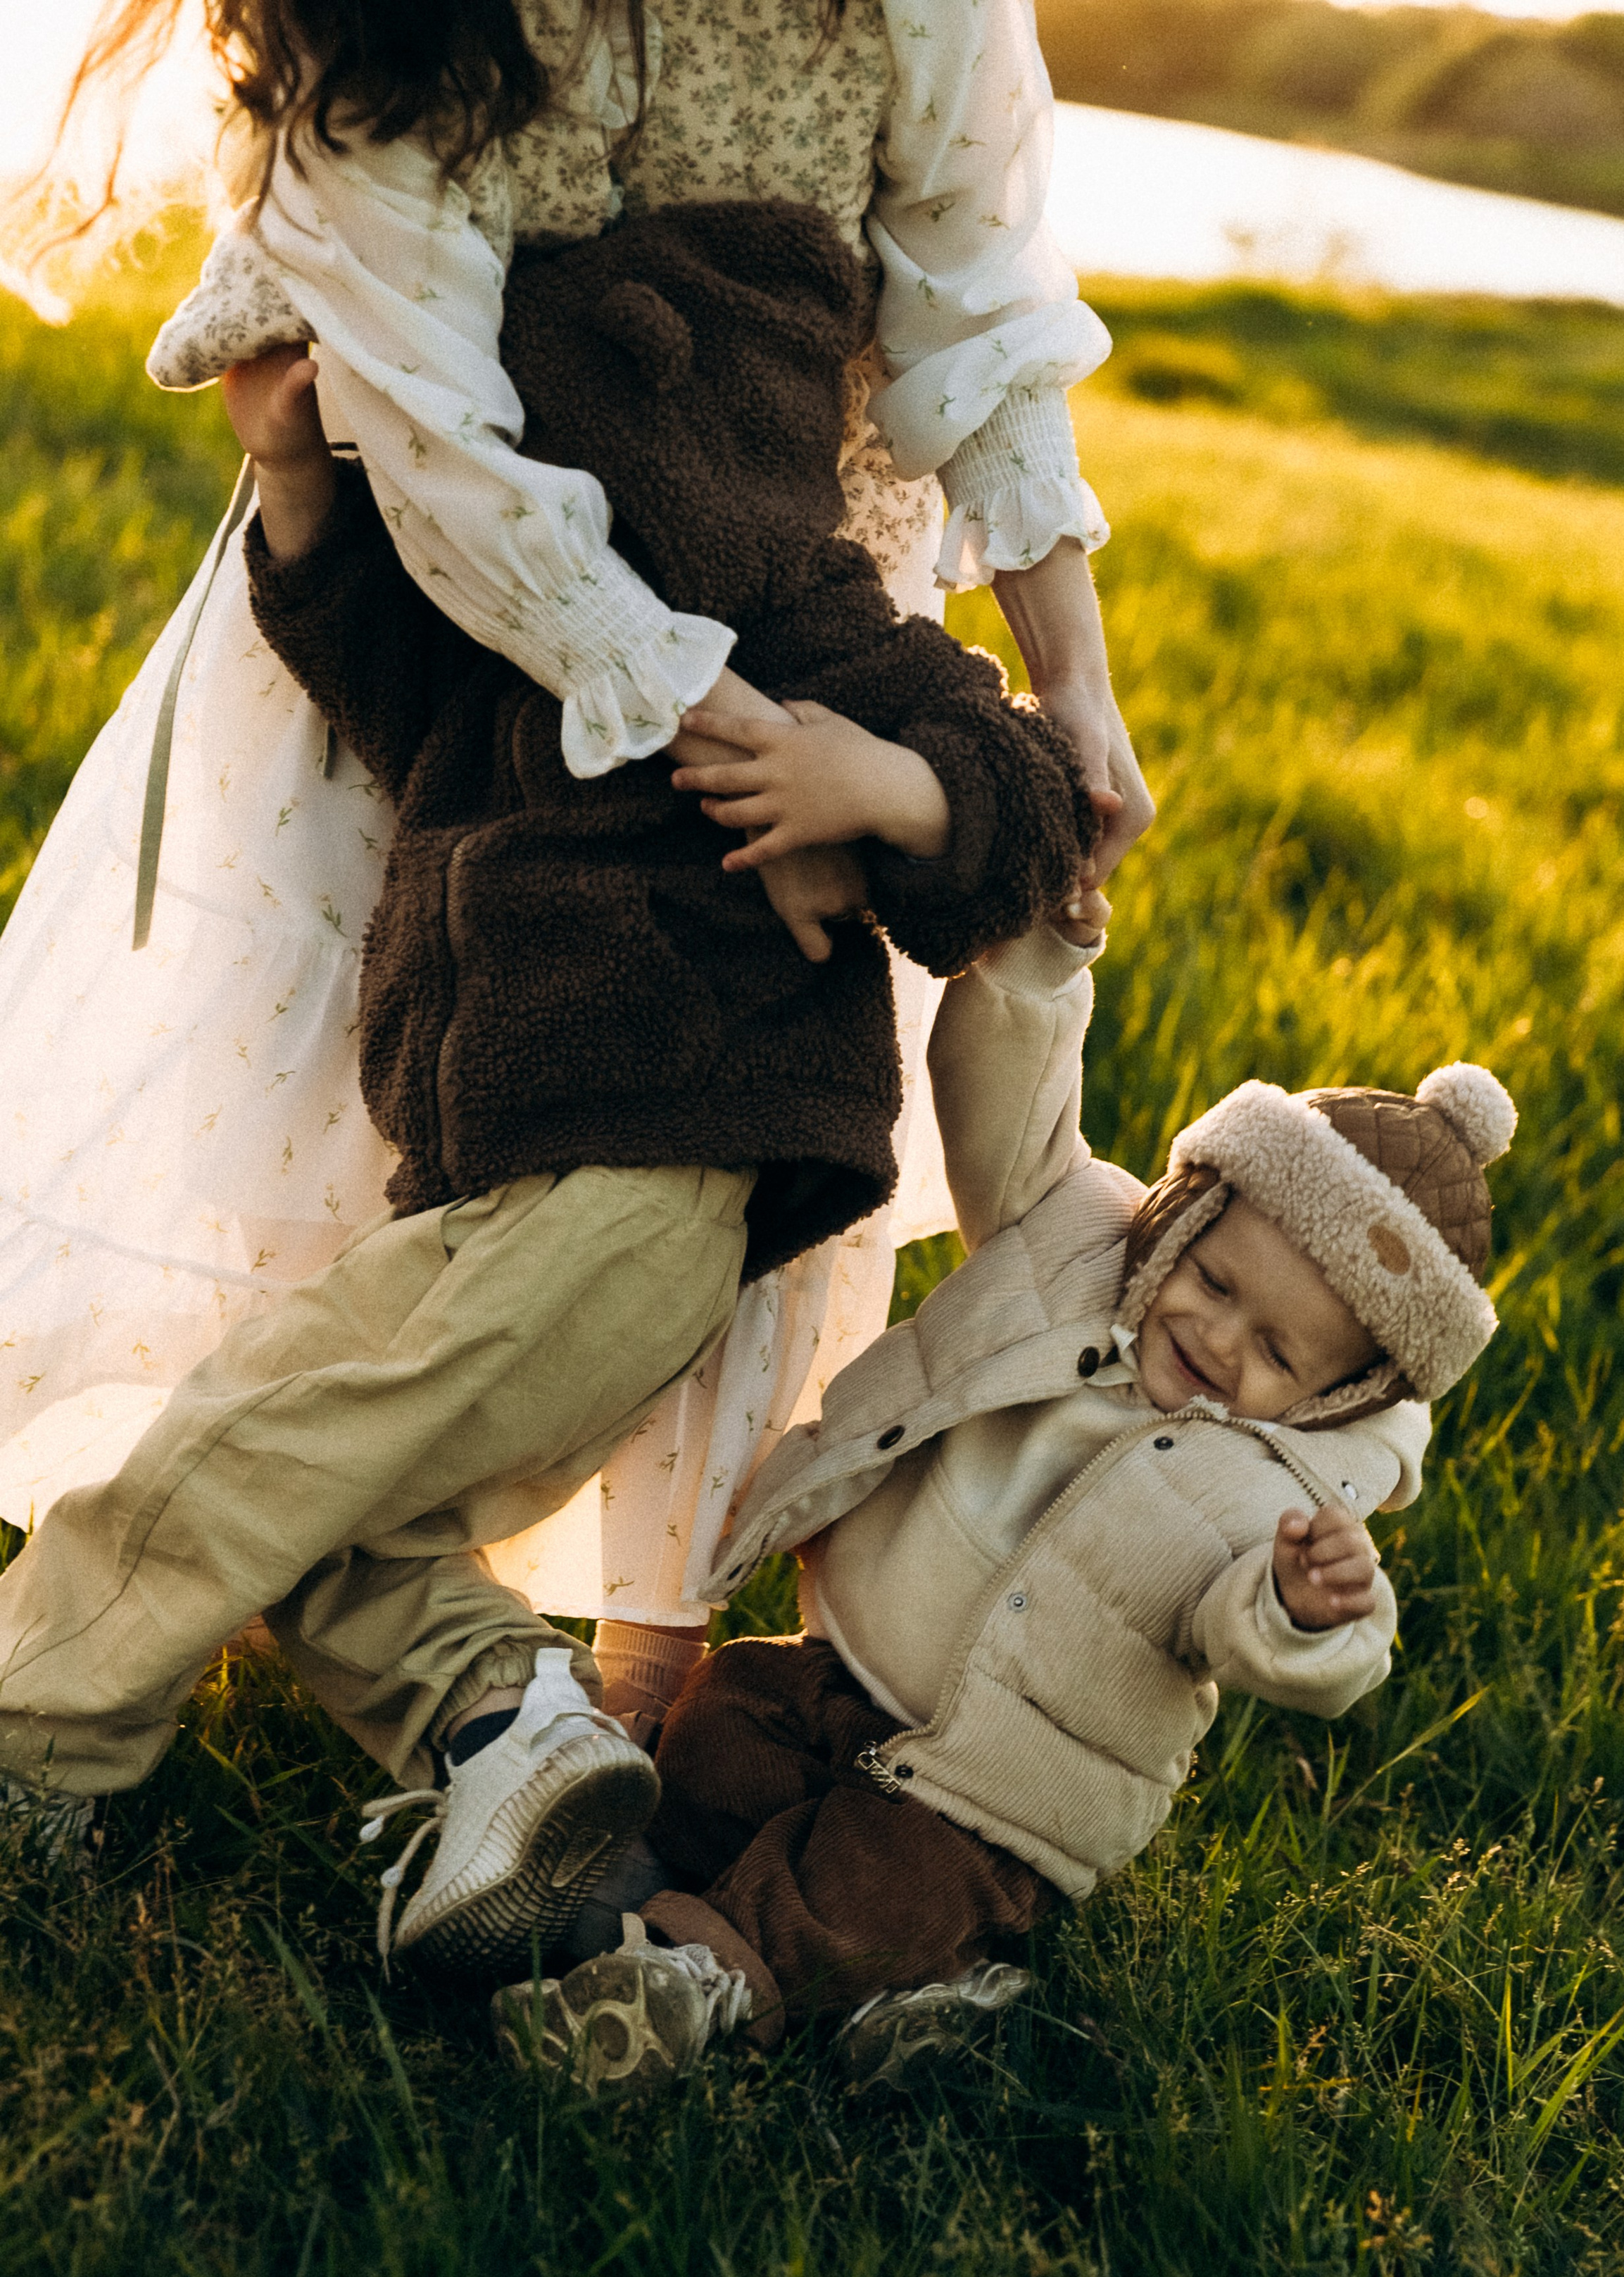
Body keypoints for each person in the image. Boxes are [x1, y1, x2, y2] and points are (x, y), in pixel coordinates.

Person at [0, 0, 1154, 1733]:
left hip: (690, 1109)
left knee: (403, 1382)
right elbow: (428, 562)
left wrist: (966, 735)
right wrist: (307, 503)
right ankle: (496, 1734)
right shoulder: (420, 81)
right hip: (481, 786)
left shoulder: (830, 621)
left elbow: (976, 312)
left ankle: (74, 1686)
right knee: (365, 1357)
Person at [491, 947, 1516, 2095]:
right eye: (1216, 1283)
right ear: (1183, 1219)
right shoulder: (1074, 1246)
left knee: (882, 1881)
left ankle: (695, 1983)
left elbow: (1263, 1635)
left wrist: (1307, 1609)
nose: (1222, 1341)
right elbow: (1014, 1105)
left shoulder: (1287, 1496)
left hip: (990, 1801)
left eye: (1277, 1350)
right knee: (722, 1724)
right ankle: (900, 1988)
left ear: (1338, 1395)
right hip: (838, 1677)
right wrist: (1038, 956)